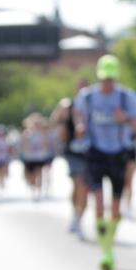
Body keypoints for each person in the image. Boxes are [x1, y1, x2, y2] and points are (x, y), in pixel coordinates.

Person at [73, 54, 136, 270]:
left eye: (111, 79)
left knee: (115, 207)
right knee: (98, 201)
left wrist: (125, 119)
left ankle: (109, 246)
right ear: (99, 77)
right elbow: (78, 114)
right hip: (95, 153)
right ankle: (106, 253)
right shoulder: (87, 97)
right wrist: (80, 126)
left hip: (118, 154)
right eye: (105, 79)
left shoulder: (127, 97)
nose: (107, 83)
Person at [53, 79, 90, 236]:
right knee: (78, 184)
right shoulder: (68, 106)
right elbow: (54, 122)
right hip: (73, 151)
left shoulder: (96, 106)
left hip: (90, 152)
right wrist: (61, 113)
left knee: (84, 187)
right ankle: (75, 213)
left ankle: (79, 217)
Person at [20, 113, 49, 201]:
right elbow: (23, 145)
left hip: (39, 157)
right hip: (29, 157)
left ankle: (38, 191)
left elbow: (45, 144)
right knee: (31, 175)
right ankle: (33, 189)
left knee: (39, 174)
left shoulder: (42, 133)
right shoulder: (27, 133)